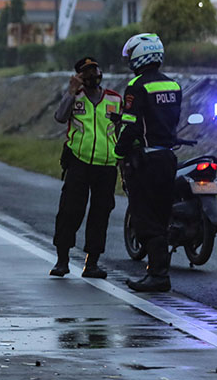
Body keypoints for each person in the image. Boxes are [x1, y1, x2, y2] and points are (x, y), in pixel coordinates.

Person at [115, 33, 181, 293]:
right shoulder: (173, 86)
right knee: (162, 216)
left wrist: (119, 151)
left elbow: (130, 125)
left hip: (146, 160)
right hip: (168, 157)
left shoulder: (137, 86)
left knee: (145, 217)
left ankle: (157, 275)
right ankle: (159, 272)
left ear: (139, 57)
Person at [50, 56, 122, 279]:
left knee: (101, 214)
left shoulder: (114, 99)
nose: (92, 75)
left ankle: (92, 263)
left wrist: (123, 159)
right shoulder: (75, 97)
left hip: (106, 166)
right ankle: (62, 261)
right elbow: (60, 117)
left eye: (95, 70)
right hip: (79, 163)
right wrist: (71, 91)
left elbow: (121, 130)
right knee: (70, 211)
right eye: (86, 72)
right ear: (78, 76)